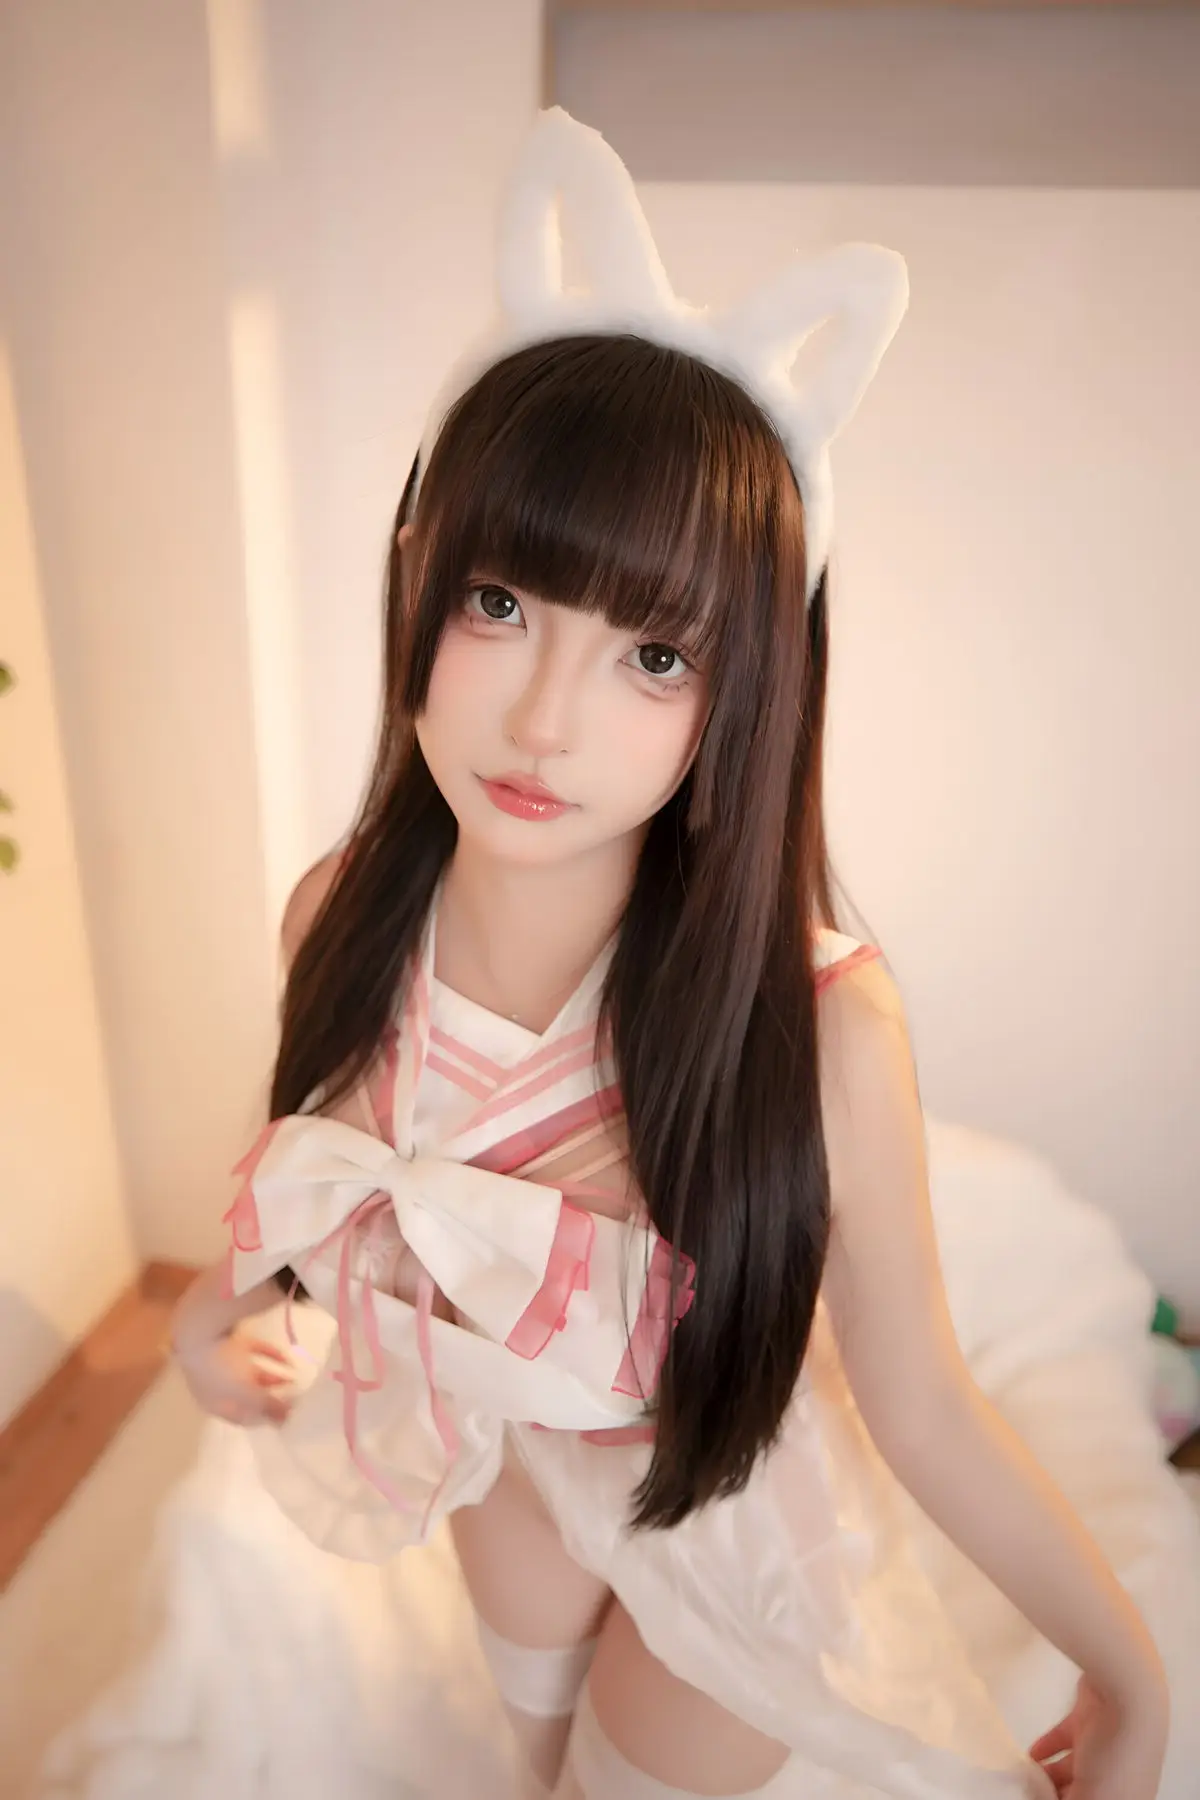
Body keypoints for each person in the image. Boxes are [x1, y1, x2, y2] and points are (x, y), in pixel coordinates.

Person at [169, 110, 1168, 1800]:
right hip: (502, 1470)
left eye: (654, 656)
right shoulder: (339, 912)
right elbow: (328, 1169)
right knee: (529, 1763)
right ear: (414, 580)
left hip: (722, 1514)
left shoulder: (823, 1024)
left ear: (747, 691)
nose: (546, 720)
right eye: (500, 604)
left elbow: (921, 1400)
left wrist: (1130, 1671)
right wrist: (226, 1319)